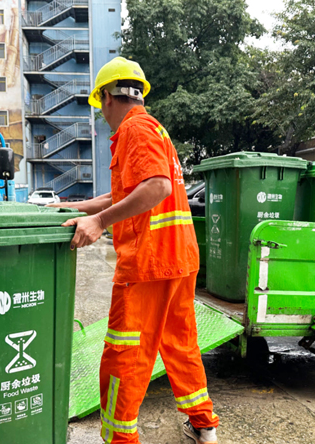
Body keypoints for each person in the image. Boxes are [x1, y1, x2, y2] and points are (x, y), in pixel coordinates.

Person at [49, 57, 218, 444]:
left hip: (148, 262)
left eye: (100, 105)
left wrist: (101, 222)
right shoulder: (155, 129)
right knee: (180, 344)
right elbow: (127, 193)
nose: (102, 115)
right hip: (178, 259)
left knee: (124, 354)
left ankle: (121, 439)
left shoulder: (134, 129)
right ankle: (204, 426)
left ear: (107, 97)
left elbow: (155, 187)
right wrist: (73, 209)